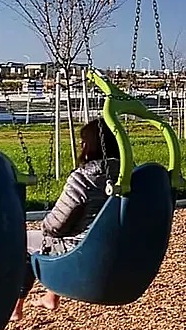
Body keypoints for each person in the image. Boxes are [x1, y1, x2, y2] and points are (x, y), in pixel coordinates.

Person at [16, 117, 120, 318]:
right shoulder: (129, 177)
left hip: (84, 255)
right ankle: (50, 296)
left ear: (87, 145)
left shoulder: (84, 178)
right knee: (73, 230)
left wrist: (45, 226)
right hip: (118, 249)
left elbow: (56, 225)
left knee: (26, 240)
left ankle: (16, 306)